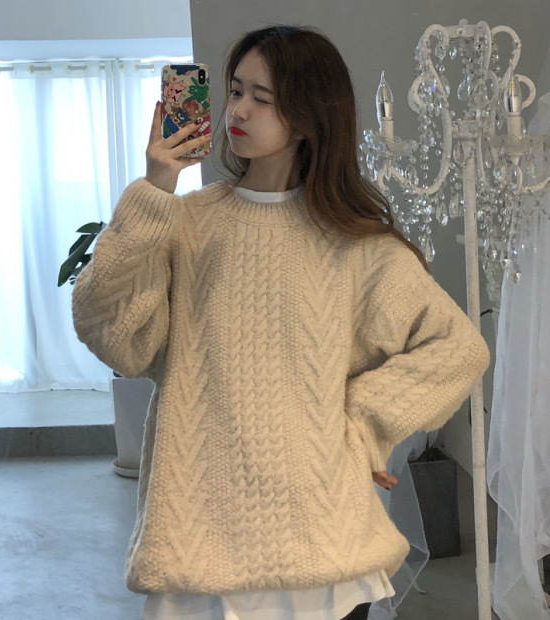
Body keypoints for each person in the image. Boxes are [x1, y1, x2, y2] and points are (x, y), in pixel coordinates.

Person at [72, 25, 490, 620]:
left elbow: (457, 349)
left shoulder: (356, 244)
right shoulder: (185, 222)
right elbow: (113, 334)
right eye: (235, 90)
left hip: (325, 547)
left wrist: (364, 422)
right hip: (197, 542)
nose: (238, 110)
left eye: (261, 98)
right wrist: (156, 186)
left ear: (307, 116)